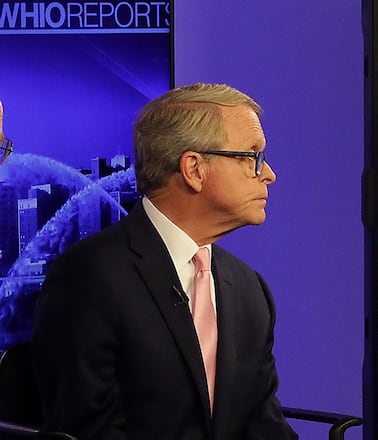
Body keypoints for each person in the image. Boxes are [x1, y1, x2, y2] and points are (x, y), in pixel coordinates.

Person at [32, 83, 298, 439]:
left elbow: (264, 426)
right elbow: (89, 429)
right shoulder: (88, 277)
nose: (268, 174)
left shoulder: (250, 290)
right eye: (252, 157)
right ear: (194, 169)